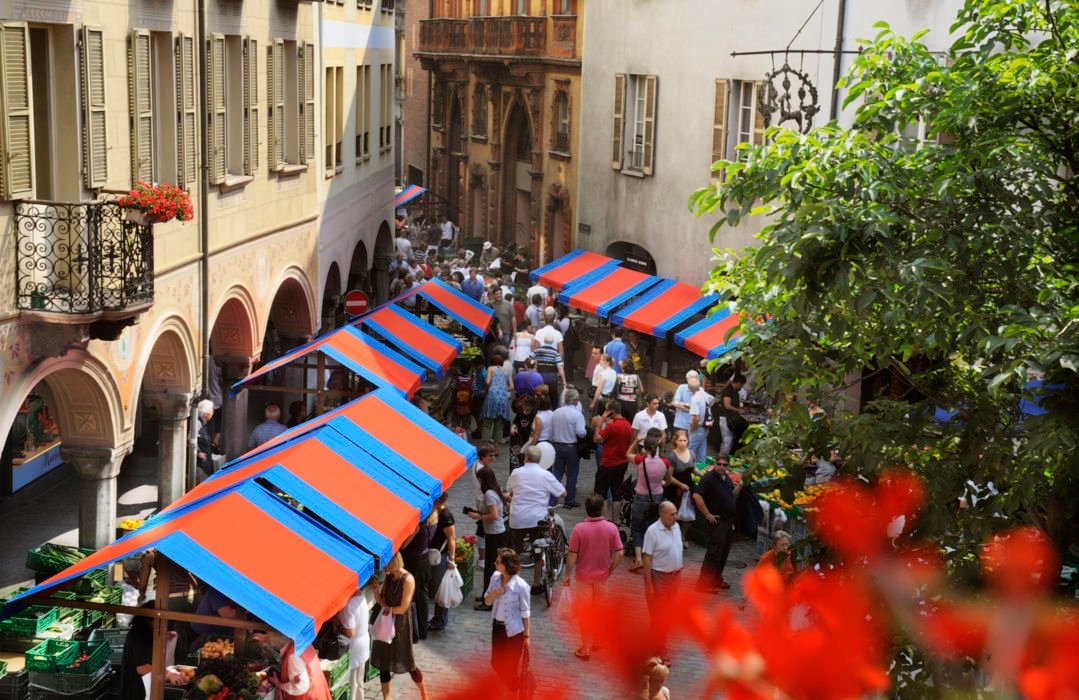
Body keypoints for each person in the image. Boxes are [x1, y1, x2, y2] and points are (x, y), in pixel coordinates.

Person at [563, 494, 624, 660]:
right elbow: (619, 553)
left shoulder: (579, 529)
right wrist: (610, 570)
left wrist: (567, 574)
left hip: (583, 577)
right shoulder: (611, 528)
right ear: (602, 508)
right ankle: (597, 641)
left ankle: (586, 647)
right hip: (602, 577)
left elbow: (572, 555)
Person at [507, 445, 566, 592]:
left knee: (515, 551)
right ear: (540, 460)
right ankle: (536, 583)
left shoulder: (517, 473)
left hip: (518, 517)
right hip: (537, 519)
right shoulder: (545, 475)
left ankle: (512, 582)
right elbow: (562, 492)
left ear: (525, 457)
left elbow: (509, 489)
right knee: (538, 550)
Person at [371, 554, 429, 700]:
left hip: (401, 625)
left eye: (386, 564)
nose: (384, 567)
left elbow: (403, 608)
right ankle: (387, 698)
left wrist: (387, 609)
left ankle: (424, 694)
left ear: (394, 562)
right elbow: (383, 602)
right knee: (384, 662)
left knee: (408, 662)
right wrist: (376, 592)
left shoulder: (408, 579)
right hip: (386, 624)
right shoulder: (389, 577)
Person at [484, 548, 532, 693]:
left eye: (498, 562)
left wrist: (527, 636)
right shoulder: (495, 577)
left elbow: (525, 613)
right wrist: (494, 593)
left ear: (506, 565)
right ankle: (513, 686)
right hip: (498, 628)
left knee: (510, 667)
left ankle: (513, 691)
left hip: (514, 632)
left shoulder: (521, 586)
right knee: (496, 663)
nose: (495, 563)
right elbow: (487, 602)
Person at [693, 456, 741, 592]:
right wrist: (707, 514)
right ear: (715, 464)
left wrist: (741, 485)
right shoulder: (708, 478)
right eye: (719, 464)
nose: (721, 467)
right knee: (713, 553)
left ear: (728, 466)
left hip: (727, 521)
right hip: (717, 521)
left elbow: (732, 494)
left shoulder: (726, 478)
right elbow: (697, 495)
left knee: (723, 552)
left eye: (724, 465)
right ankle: (703, 584)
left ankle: (716, 579)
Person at [642, 502, 683, 662]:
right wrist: (649, 585)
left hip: (675, 577)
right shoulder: (653, 532)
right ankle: (660, 649)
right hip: (660, 578)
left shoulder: (677, 527)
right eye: (672, 514)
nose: (675, 517)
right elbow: (647, 558)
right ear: (662, 515)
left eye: (676, 513)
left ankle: (650, 644)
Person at [627, 437, 672, 572]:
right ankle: (651, 558)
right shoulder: (665, 463)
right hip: (657, 497)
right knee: (652, 527)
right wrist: (660, 484)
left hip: (641, 497)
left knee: (637, 528)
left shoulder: (641, 461)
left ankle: (639, 559)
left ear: (644, 449)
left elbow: (627, 454)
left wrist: (635, 441)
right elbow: (668, 481)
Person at [468, 465, 508, 610]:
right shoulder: (493, 491)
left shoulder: (489, 494)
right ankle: (487, 593)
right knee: (491, 568)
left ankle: (488, 602)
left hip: (495, 533)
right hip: (494, 532)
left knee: (491, 569)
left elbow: (494, 515)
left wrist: (479, 516)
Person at [253, 629, 331, 700]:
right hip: (318, 691)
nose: (270, 643)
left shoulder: (293, 656)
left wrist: (279, 684)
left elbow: (301, 687)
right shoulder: (300, 641)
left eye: (270, 638)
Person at [400, 507, 437, 641]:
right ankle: (422, 630)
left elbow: (404, 545)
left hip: (414, 561)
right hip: (424, 559)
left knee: (415, 598)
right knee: (422, 597)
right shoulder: (433, 520)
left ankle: (416, 632)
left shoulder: (419, 525)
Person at [593, 400, 634, 518]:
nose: (605, 412)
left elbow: (597, 439)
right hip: (622, 463)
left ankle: (604, 521)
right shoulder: (627, 425)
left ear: (612, 411)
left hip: (608, 463)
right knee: (617, 493)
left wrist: (600, 423)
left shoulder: (612, 426)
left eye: (607, 410)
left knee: (602, 492)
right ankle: (615, 522)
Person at [424, 493, 458, 632]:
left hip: (440, 556)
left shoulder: (446, 516)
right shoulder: (434, 512)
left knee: (441, 589)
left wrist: (452, 559)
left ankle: (440, 620)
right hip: (431, 554)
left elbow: (451, 539)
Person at [549, 388, 587, 509]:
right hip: (571, 446)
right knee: (572, 474)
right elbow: (581, 432)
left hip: (557, 445)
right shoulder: (577, 414)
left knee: (557, 473)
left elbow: (551, 431)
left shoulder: (556, 412)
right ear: (575, 400)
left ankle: (553, 498)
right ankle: (569, 499)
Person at [338, 584, 372, 700]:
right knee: (359, 682)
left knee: (353, 683)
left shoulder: (349, 605)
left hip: (355, 646)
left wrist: (337, 624)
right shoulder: (361, 597)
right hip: (363, 641)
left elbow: (350, 632)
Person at [664, 429, 697, 547]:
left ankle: (681, 535)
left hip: (688, 488)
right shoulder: (672, 456)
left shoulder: (692, 453)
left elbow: (694, 469)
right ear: (675, 441)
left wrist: (704, 475)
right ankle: (671, 537)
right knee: (674, 515)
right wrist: (680, 485)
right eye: (680, 440)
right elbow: (669, 477)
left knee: (689, 515)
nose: (683, 443)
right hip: (675, 490)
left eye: (685, 440)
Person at [481, 352, 513, 443]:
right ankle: (496, 448)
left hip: (492, 395)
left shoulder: (490, 368)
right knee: (499, 424)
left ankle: (486, 446)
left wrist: (489, 389)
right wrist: (502, 389)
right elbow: (512, 387)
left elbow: (487, 382)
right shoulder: (507, 371)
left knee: (487, 422)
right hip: (503, 397)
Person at [717, 373, 750, 455]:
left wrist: (740, 409)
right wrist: (738, 410)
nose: (741, 387)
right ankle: (722, 458)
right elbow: (727, 405)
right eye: (741, 385)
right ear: (738, 383)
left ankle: (725, 457)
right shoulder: (728, 390)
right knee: (727, 440)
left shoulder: (734, 390)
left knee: (729, 440)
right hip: (726, 417)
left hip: (731, 417)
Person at [687, 376, 713, 464]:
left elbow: (696, 418)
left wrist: (692, 428)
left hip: (698, 428)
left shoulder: (695, 398)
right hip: (705, 427)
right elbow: (713, 399)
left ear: (690, 388)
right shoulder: (704, 394)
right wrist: (705, 409)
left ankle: (688, 471)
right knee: (702, 452)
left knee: (691, 451)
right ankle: (702, 470)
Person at [196, 399, 217, 476]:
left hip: (207, 459)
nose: (213, 413)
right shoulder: (197, 424)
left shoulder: (205, 424)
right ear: (206, 414)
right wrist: (198, 453)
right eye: (211, 411)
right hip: (200, 463)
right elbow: (189, 439)